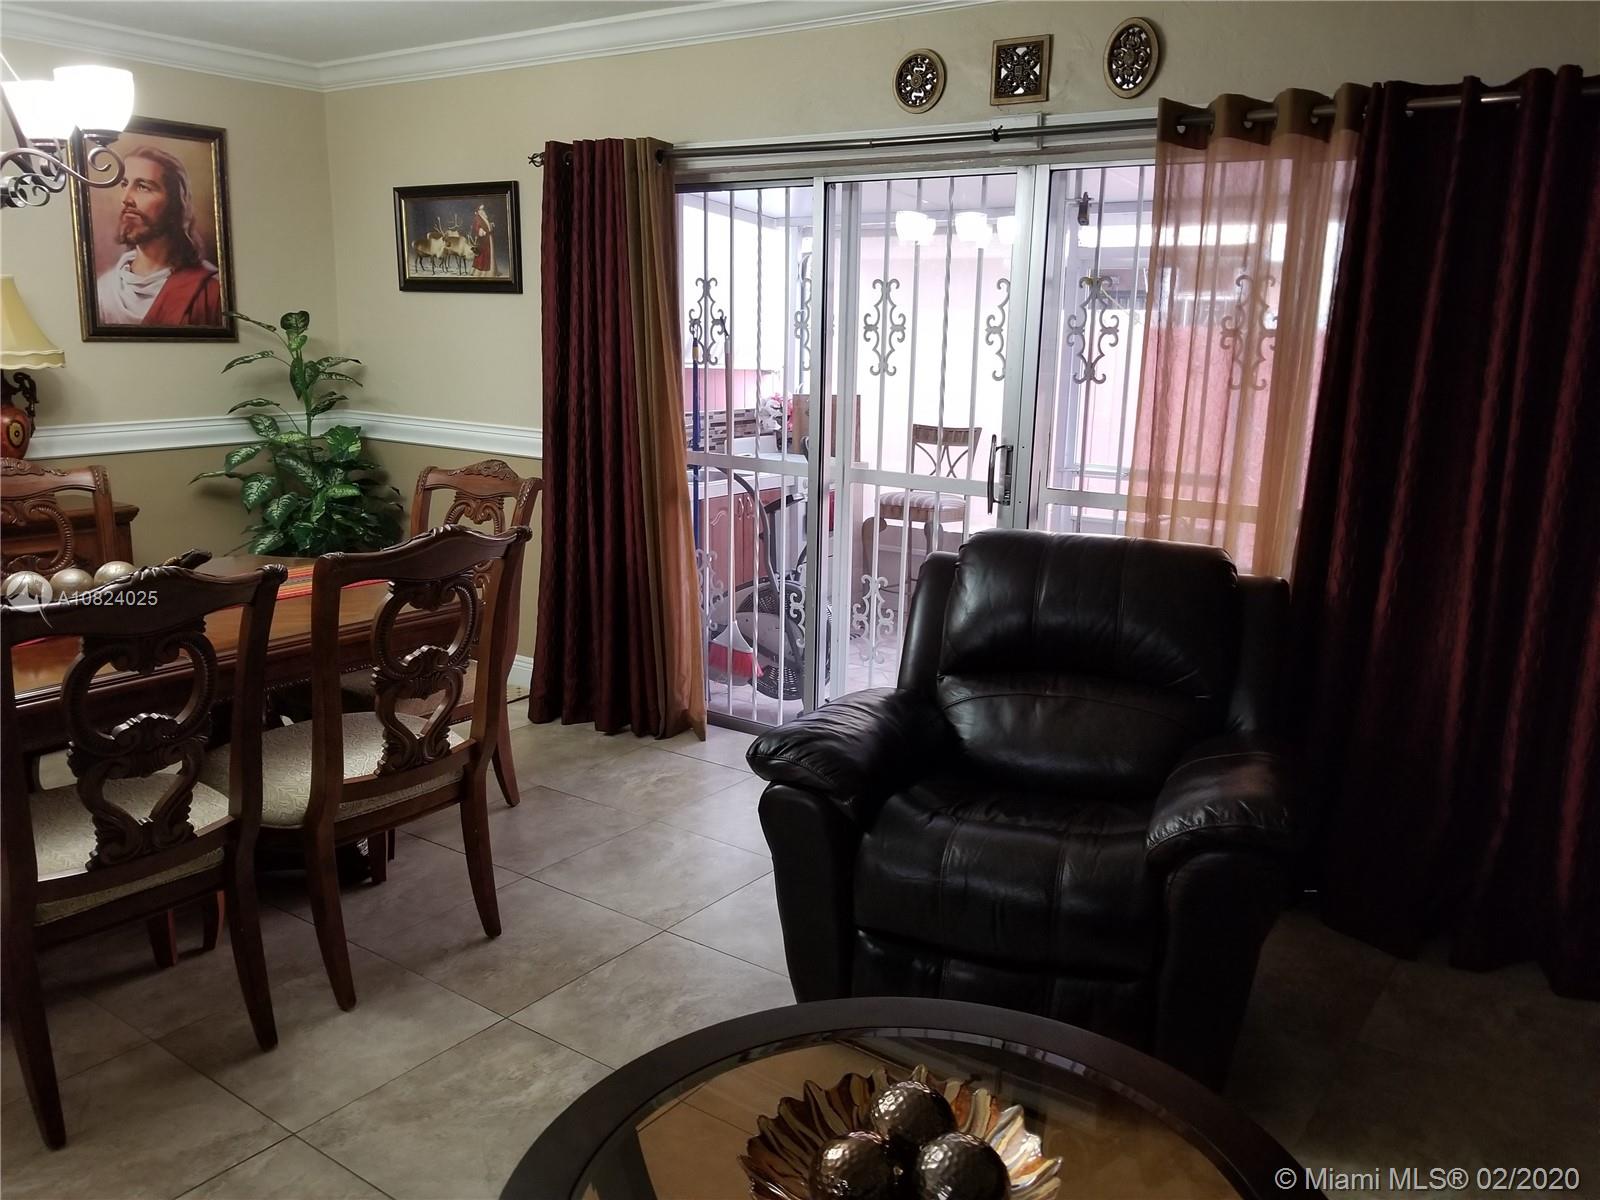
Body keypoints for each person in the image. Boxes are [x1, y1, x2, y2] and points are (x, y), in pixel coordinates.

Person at [94, 146, 222, 327]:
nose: (126, 198)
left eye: (142, 187)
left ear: (174, 203)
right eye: (124, 184)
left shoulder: (210, 291)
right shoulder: (103, 291)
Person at [471, 203, 495, 276]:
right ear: (478, 210)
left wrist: (490, 225)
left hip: (488, 238)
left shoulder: (484, 217)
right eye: (481, 209)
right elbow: (475, 227)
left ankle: (490, 271)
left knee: (488, 254)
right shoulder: (477, 218)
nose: (482, 211)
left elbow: (486, 225)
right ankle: (481, 272)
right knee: (482, 255)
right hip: (482, 240)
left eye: (483, 209)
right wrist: (480, 231)